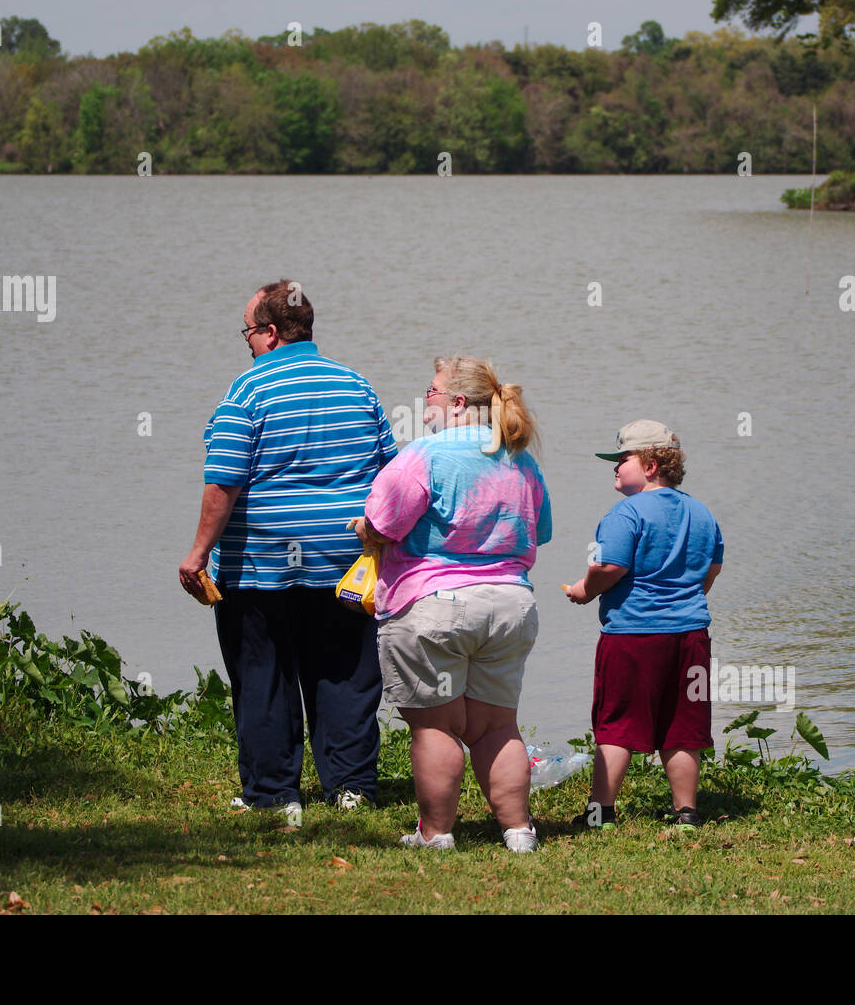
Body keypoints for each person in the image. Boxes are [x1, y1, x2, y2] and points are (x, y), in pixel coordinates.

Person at [178, 279, 397, 817]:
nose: (247, 343)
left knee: (263, 674)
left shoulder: (248, 390)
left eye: (248, 332)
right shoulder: (357, 386)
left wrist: (198, 553)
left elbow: (223, 480)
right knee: (345, 672)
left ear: (271, 332)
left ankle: (274, 794)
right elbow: (391, 474)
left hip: (260, 564)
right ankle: (350, 789)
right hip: (343, 564)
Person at [353, 356, 552, 853]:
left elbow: (381, 524)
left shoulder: (425, 455)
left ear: (458, 402)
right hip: (510, 603)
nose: (425, 404)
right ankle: (519, 832)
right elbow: (541, 532)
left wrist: (363, 530)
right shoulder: (521, 460)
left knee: (434, 726)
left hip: (435, 604)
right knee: (497, 726)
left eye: (432, 393)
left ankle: (436, 834)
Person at [564, 420, 723, 831]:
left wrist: (585, 590)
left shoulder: (624, 514)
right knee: (683, 724)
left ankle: (601, 812)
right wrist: (685, 597)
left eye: (623, 459)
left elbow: (611, 565)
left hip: (633, 635)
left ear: (651, 465)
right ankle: (686, 811)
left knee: (616, 723)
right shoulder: (701, 511)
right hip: (691, 635)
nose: (615, 467)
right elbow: (713, 567)